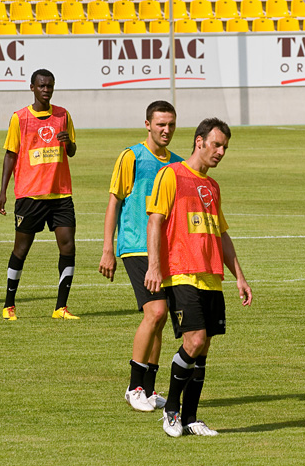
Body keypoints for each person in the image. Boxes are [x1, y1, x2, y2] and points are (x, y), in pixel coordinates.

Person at [145, 117, 253, 437]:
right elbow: (155, 221)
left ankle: (191, 419)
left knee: (203, 349)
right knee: (193, 341)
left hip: (211, 277)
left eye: (225, 148)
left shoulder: (212, 186)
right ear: (199, 141)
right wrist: (154, 266)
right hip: (181, 272)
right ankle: (171, 411)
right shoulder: (172, 175)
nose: (221, 152)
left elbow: (221, 235)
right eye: (216, 145)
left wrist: (240, 277)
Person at [99, 101, 184, 412]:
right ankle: (134, 387)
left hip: (164, 252)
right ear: (147, 124)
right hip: (136, 246)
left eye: (171, 124)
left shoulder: (178, 164)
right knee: (156, 312)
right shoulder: (132, 156)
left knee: (160, 319)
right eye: (160, 124)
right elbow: (114, 201)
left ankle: (148, 390)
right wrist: (108, 248)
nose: (166, 130)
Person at [0, 69, 79, 321]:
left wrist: (68, 142)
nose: (46, 90)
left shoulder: (63, 115)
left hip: (60, 194)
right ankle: (9, 305)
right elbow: (10, 154)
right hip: (29, 195)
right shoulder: (20, 118)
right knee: (21, 250)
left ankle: (60, 308)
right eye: (42, 86)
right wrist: (3, 192)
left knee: (68, 247)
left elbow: (72, 151)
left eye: (50, 86)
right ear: (32, 87)